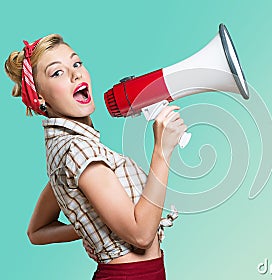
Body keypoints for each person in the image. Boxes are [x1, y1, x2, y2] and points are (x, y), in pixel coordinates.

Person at [5, 34, 187, 279]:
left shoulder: (66, 150)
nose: (75, 74)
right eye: (57, 72)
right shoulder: (79, 152)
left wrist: (95, 225)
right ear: (39, 97)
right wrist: (162, 151)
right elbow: (142, 235)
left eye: (76, 63)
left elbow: (37, 231)